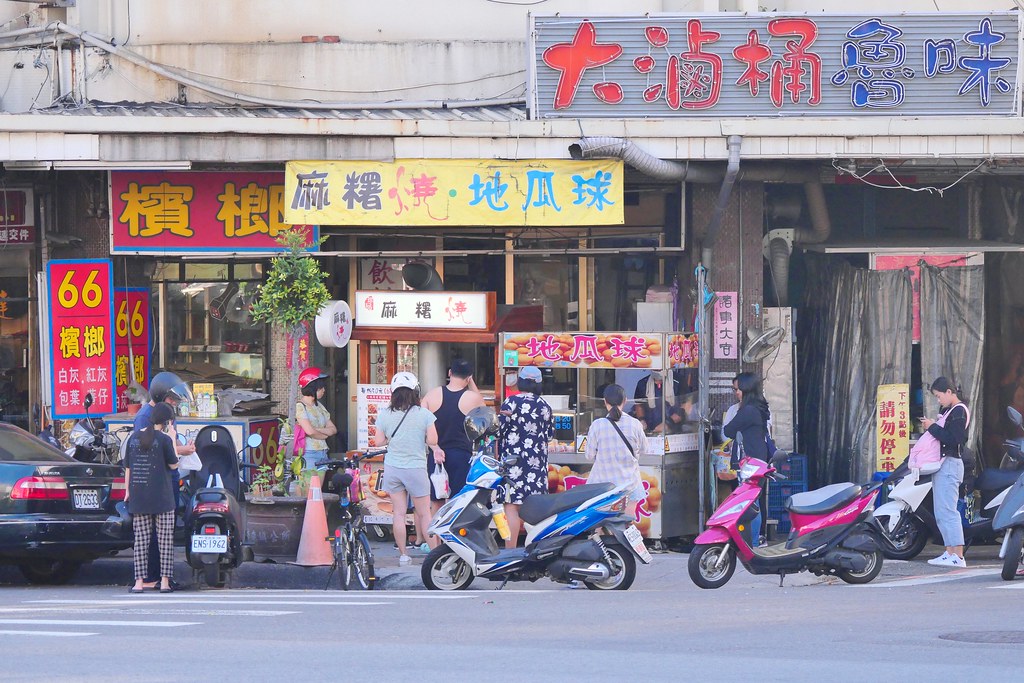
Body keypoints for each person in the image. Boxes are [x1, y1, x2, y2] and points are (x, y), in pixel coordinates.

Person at [373, 372, 444, 564]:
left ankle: (404, 554)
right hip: (416, 468)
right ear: (415, 392)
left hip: (393, 468)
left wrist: (391, 437)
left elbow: (378, 441)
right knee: (424, 513)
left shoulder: (384, 414)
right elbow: (433, 440)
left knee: (399, 513)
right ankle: (435, 555)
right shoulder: (425, 415)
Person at [135, 371, 195, 590]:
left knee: (165, 531)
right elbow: (149, 449)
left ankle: (163, 577)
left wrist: (180, 449)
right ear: (160, 396)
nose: (174, 403)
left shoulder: (167, 414)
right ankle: (151, 576)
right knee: (152, 532)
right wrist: (182, 450)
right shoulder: (144, 417)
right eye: (171, 399)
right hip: (156, 480)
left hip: (170, 477)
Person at [125, 402, 179, 594]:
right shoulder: (164, 439)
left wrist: (127, 491)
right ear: (166, 422)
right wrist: (172, 438)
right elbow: (174, 465)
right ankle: (164, 582)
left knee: (141, 541)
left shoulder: (133, 438)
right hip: (162, 496)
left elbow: (128, 468)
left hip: (139, 496)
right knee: (164, 540)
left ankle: (138, 583)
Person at [498, 366, 554, 548]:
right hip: (536, 465)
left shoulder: (510, 402)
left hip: (513, 464)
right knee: (535, 511)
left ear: (520, 381)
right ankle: (537, 551)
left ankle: (510, 553)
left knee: (511, 508)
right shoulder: (544, 406)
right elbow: (550, 435)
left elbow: (499, 430)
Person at [421, 359, 486, 515]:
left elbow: (422, 424)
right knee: (457, 501)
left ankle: (434, 539)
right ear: (469, 377)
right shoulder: (472, 398)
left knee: (436, 502)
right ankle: (451, 538)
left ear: (449, 373)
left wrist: (434, 447)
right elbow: (485, 416)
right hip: (460, 455)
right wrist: (472, 384)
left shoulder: (431, 395)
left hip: (436, 455)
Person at [922, 377, 971, 568]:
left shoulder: (959, 411)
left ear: (950, 392)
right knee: (941, 511)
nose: (938, 400)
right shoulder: (949, 410)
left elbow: (954, 439)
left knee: (949, 511)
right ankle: (949, 551)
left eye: (939, 396)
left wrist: (932, 427)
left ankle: (958, 555)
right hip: (943, 465)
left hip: (951, 465)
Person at [724, 372, 771, 546]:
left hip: (751, 463)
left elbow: (728, 430)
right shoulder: (758, 408)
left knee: (751, 503)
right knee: (752, 502)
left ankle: (752, 543)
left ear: (747, 389)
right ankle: (752, 541)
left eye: (738, 389)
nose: (736, 393)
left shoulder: (749, 410)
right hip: (758, 460)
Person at [584, 384, 647, 509]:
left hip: (602, 487)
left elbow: (589, 456)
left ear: (605, 401)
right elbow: (644, 449)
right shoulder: (635, 424)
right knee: (628, 522)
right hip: (630, 485)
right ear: (625, 401)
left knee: (601, 525)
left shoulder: (597, 425)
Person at [295, 366, 338, 470]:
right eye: (320, 388)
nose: (324, 390)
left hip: (323, 451)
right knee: (309, 484)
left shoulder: (319, 405)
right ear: (312, 388)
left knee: (319, 486)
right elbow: (310, 431)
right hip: (309, 452)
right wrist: (323, 435)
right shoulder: (300, 406)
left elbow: (333, 429)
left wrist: (317, 430)